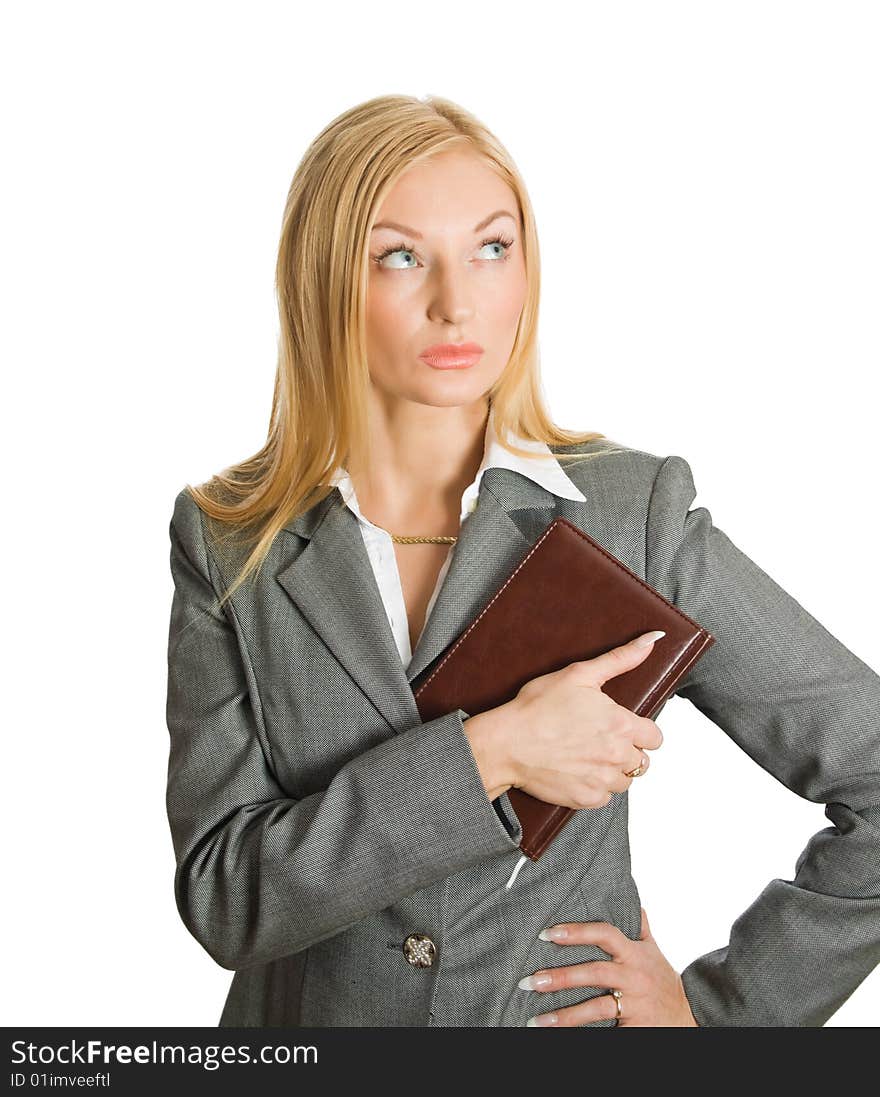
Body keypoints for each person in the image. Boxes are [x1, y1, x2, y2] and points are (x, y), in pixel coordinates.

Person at [165, 93, 880, 1028]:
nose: (456, 301)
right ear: (323, 281)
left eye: (492, 248)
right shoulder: (231, 538)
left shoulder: (632, 514)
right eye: (400, 255)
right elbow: (226, 899)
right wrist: (492, 749)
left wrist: (719, 1019)